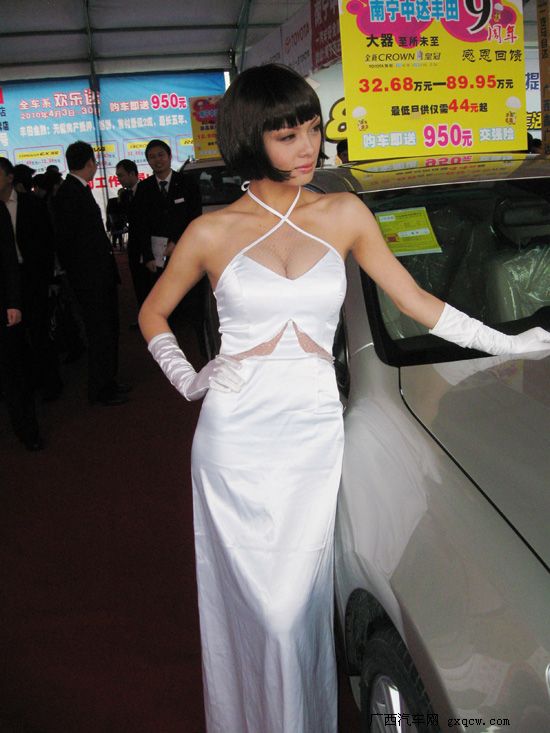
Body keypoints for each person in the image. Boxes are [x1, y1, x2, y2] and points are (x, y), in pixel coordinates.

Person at [138, 64, 550, 733]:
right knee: (259, 612)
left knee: (296, 610)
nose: (308, 146)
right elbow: (153, 313)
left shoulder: (344, 213)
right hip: (234, 440)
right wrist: (189, 377)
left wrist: (508, 343)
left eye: (312, 128)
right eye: (287, 135)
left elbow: (414, 301)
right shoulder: (211, 231)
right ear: (250, 139)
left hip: (311, 434)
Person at [52, 141, 127, 406]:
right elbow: (68, 242)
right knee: (100, 333)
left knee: (107, 329)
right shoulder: (69, 194)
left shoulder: (76, 190)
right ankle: (101, 388)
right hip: (89, 280)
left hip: (97, 275)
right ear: (89, 163)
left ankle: (109, 381)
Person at [0, 201, 43, 450]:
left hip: (4, 307)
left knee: (14, 372)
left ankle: (28, 431)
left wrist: (14, 302)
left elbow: (9, 259)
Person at [115, 158, 150, 310]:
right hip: (134, 246)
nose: (119, 179)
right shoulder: (125, 195)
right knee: (138, 284)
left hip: (148, 245)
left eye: (121, 175)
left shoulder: (147, 190)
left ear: (132, 174)